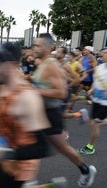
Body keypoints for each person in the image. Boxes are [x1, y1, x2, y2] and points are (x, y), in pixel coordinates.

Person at [0, 42, 51, 188]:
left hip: (20, 169)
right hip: (4, 161)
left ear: (12, 64)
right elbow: (5, 119)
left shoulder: (27, 98)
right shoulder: (2, 87)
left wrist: (5, 153)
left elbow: (43, 147)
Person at [31, 33, 96, 187]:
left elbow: (61, 93)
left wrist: (36, 92)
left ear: (48, 47)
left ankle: (85, 171)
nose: (35, 48)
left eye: (38, 45)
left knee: (57, 147)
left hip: (50, 113)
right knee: (52, 147)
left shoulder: (51, 65)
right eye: (34, 45)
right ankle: (85, 170)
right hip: (41, 112)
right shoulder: (44, 63)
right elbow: (44, 84)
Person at [78, 47, 107, 155]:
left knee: (94, 124)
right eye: (102, 53)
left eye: (105, 53)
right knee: (92, 123)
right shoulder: (99, 68)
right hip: (96, 100)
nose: (102, 54)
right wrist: (91, 89)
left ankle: (90, 147)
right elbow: (96, 80)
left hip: (105, 103)